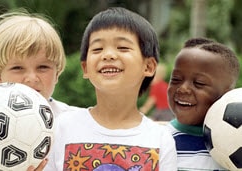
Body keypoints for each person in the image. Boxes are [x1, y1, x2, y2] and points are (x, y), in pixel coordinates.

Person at [34, 7, 177, 171]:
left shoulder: (160, 138)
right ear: (85, 68)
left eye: (122, 47)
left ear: (149, 66)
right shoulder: (61, 127)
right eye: (97, 49)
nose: (108, 55)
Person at [167, 37, 240, 170]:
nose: (183, 88)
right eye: (176, 79)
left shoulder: (236, 142)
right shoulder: (159, 139)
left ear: (226, 95)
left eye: (199, 83)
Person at [0, 10, 79, 118]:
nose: (32, 78)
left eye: (42, 67)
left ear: (56, 73)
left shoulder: (73, 121)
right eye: (17, 68)